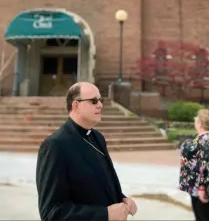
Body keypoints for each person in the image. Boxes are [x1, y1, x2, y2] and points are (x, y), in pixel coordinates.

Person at [36, 82, 137, 221]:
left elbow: (98, 184)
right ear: (75, 106)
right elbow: (51, 213)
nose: (100, 105)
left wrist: (122, 200)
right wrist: (105, 214)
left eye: (100, 100)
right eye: (93, 101)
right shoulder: (55, 145)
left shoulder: (97, 138)